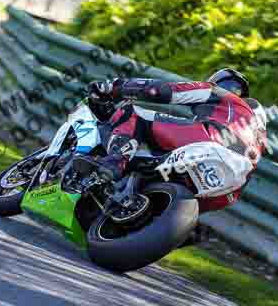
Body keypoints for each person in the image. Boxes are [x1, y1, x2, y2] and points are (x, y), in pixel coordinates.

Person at [87, 68, 267, 207]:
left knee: (132, 113)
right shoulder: (259, 139)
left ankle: (114, 162)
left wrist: (114, 88)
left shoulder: (220, 94)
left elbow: (161, 91)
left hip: (210, 140)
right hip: (230, 187)